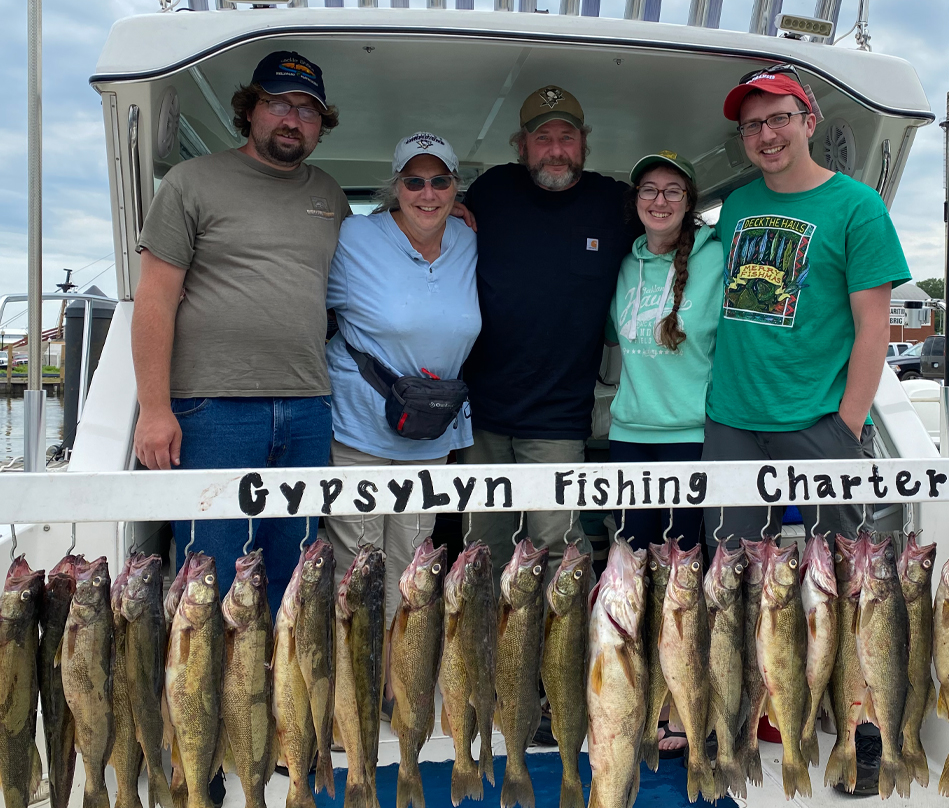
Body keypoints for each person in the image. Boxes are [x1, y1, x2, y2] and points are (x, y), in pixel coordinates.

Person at [703, 63, 911, 793]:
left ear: (809, 119)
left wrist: (848, 425)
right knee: (730, 585)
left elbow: (874, 326)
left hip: (820, 423)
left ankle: (861, 735)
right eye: (752, 124)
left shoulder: (857, 208)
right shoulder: (733, 210)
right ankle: (733, 729)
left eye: (777, 118)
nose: (765, 134)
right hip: (730, 420)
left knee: (848, 587)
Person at [132, 49, 349, 619]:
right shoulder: (190, 181)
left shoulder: (329, 194)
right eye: (278, 103)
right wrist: (155, 410)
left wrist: (451, 215)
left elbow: (376, 260)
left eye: (307, 110)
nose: (291, 119)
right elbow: (154, 299)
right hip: (211, 410)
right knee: (213, 576)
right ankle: (212, 709)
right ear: (250, 109)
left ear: (320, 125)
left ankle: (279, 706)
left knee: (293, 577)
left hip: (308, 408)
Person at [460, 85, 640, 575]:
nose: (556, 150)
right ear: (521, 146)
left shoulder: (615, 203)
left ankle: (567, 652)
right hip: (483, 413)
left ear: (584, 143)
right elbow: (442, 225)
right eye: (543, 138)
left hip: (559, 416)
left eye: (567, 137)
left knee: (559, 546)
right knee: (483, 548)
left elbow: (670, 236)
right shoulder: (490, 191)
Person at [324, 132, 480, 623]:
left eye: (440, 181)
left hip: (430, 433)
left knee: (413, 568)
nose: (427, 193)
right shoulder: (355, 237)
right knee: (358, 564)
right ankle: (355, 694)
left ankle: (397, 687)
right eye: (414, 181)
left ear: (456, 187)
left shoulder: (468, 240)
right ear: (396, 186)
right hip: (360, 428)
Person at [605, 150, 725, 550]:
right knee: (631, 561)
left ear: (689, 202)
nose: (660, 201)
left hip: (690, 436)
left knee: (681, 566)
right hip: (627, 436)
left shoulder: (717, 260)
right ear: (636, 199)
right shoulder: (624, 265)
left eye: (673, 192)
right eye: (650, 190)